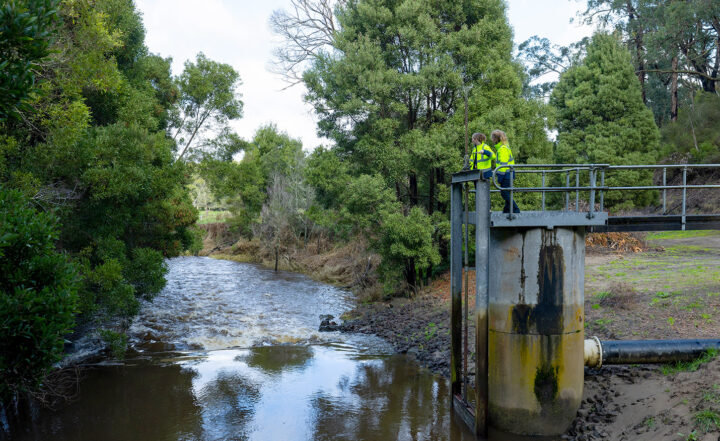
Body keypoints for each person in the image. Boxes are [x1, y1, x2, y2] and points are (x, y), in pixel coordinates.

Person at [491, 129, 520, 214]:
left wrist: (500, 177)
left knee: (505, 193)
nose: (491, 139)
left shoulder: (502, 149)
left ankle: (515, 210)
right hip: (508, 174)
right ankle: (506, 210)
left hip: (506, 175)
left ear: (496, 139)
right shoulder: (503, 147)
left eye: (492, 138)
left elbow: (503, 165)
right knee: (506, 193)